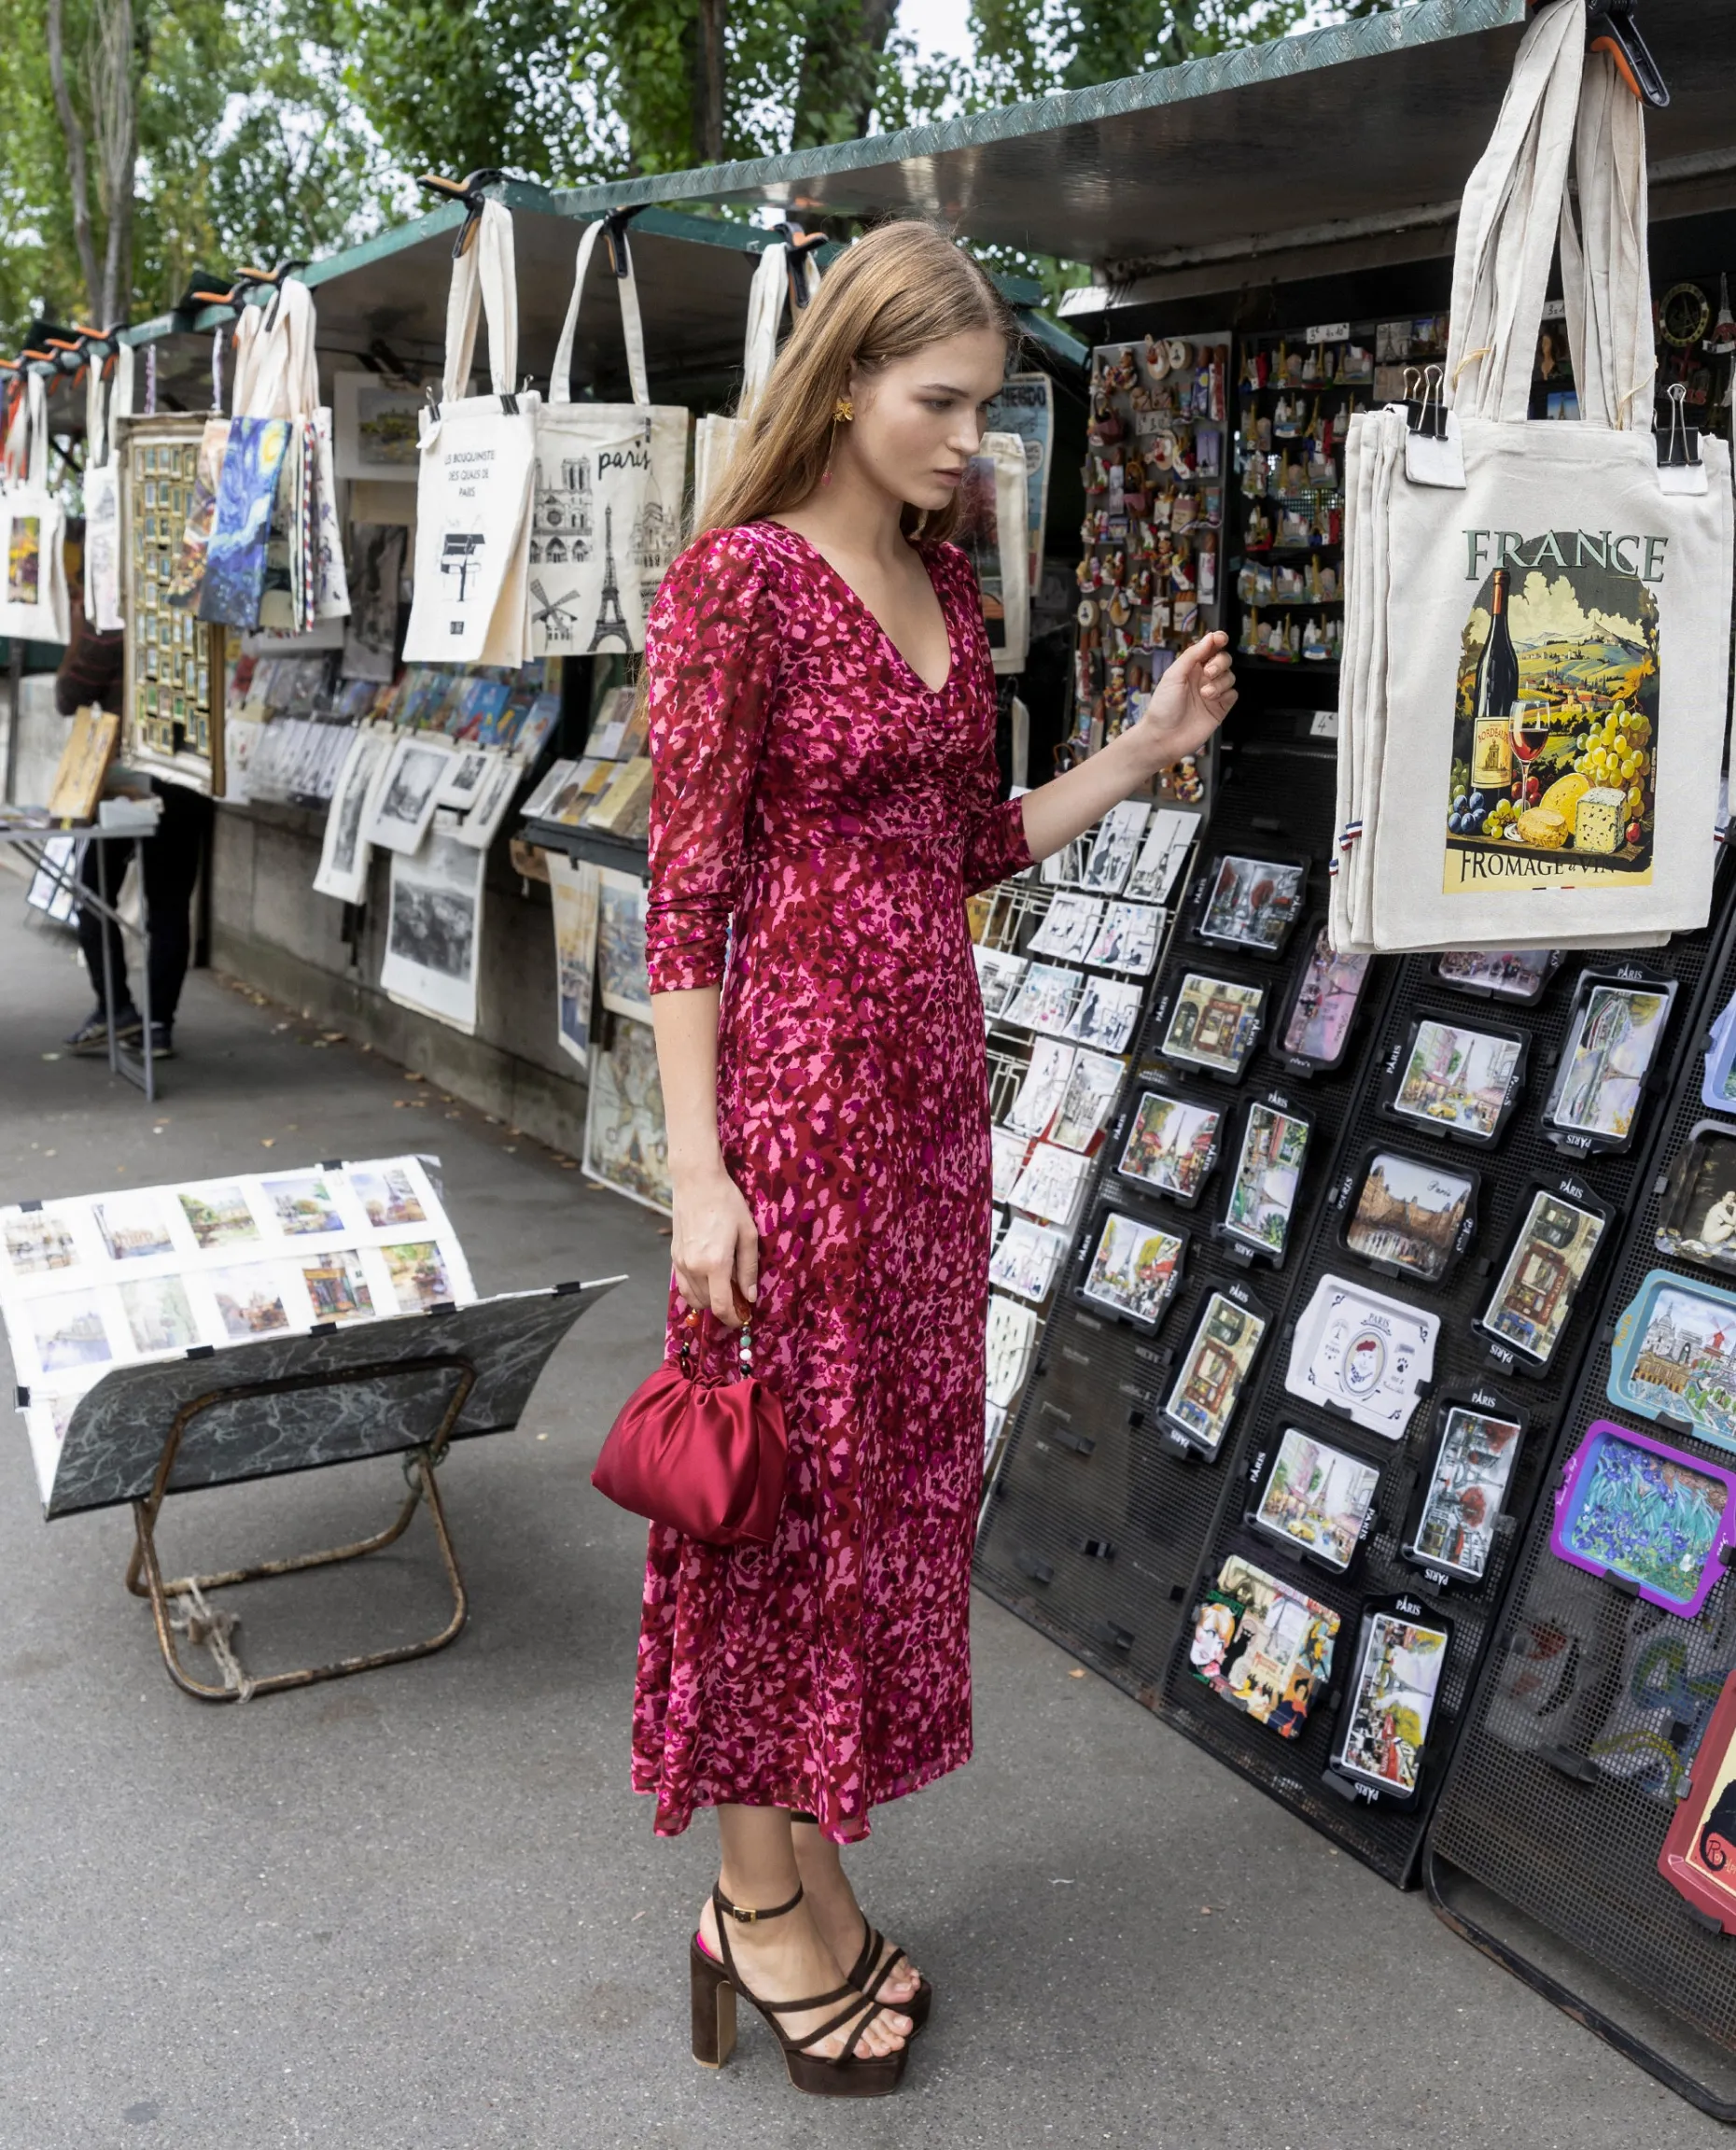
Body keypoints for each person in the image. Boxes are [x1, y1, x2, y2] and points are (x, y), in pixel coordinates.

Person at [637, 220, 1236, 2097]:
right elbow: (685, 904)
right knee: (767, 1506)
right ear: (842, 380)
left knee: (870, 1494)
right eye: (940, 400)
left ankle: (801, 1852)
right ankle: (748, 1887)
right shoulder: (739, 585)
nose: (972, 438)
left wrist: (1136, 752)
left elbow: (963, 841)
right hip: (793, 1129)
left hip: (922, 1125)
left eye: (986, 405)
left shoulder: (940, 576)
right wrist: (699, 1170)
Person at [54, 568, 210, 1060]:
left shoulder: (111, 621)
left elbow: (68, 695)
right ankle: (158, 1024)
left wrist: (81, 628)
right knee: (168, 904)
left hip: (127, 778)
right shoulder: (201, 615)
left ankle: (117, 1008)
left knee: (93, 888)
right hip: (188, 771)